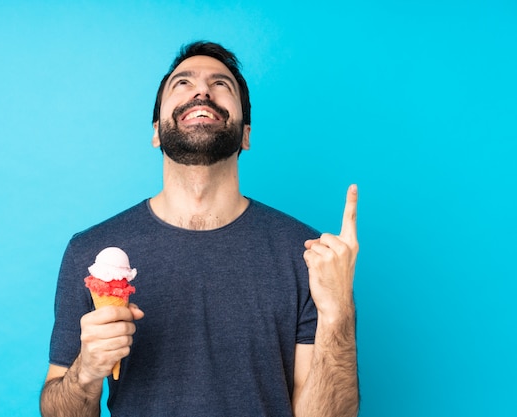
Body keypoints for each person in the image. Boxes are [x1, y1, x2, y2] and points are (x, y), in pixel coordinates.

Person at [40, 41, 359, 417]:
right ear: (157, 131)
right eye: (182, 83)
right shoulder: (89, 252)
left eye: (221, 84)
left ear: (246, 135)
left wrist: (339, 312)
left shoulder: (306, 256)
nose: (202, 90)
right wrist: (87, 373)